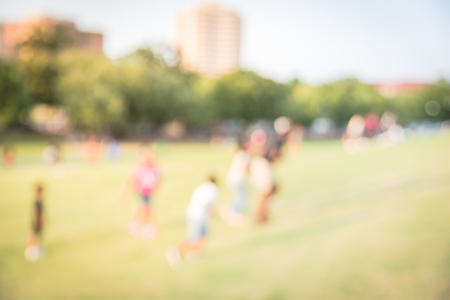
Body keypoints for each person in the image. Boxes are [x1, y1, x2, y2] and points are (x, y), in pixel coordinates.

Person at [166, 176, 219, 269]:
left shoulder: (202, 187)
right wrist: (211, 212)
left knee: (204, 234)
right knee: (193, 236)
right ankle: (175, 252)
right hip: (197, 216)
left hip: (193, 214)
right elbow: (206, 203)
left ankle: (196, 253)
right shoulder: (213, 189)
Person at [118, 147, 161, 240]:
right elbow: (130, 180)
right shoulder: (138, 167)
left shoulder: (153, 166)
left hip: (148, 192)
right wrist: (125, 192)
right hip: (141, 191)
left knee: (147, 208)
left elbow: (157, 178)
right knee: (143, 207)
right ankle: (136, 224)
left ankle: (144, 225)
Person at [220, 142, 250, 227]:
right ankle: (233, 211)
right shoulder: (243, 155)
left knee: (241, 196)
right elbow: (246, 168)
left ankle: (230, 209)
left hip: (235, 179)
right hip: (236, 179)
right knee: (242, 196)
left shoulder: (241, 155)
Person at [25, 184, 45, 261]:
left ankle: (36, 249)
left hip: (38, 222)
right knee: (34, 235)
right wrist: (38, 222)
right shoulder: (37, 203)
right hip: (37, 222)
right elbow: (36, 213)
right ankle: (30, 250)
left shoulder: (40, 202)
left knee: (37, 236)